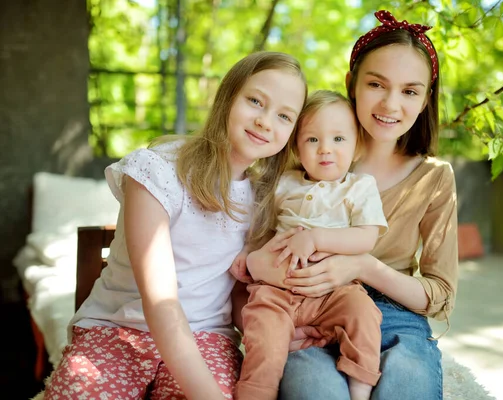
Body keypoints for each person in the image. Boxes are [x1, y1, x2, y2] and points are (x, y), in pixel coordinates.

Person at [42, 51, 307, 399]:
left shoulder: (264, 200)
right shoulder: (158, 171)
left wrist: (280, 334)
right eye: (255, 101)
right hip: (117, 329)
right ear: (227, 96)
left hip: (207, 336)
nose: (265, 121)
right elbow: (161, 301)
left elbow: (241, 288)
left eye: (284, 116)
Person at [246, 10, 458, 400]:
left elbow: (440, 293)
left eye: (411, 91)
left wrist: (362, 265)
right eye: (377, 84)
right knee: (316, 391)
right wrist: (277, 322)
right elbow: (253, 252)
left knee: (404, 389)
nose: (391, 104)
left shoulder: (434, 178)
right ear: (352, 84)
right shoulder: (311, 157)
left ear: (427, 97)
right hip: (305, 305)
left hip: (397, 314)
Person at [230, 90, 388, 400]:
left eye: (338, 139)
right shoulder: (284, 183)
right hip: (277, 292)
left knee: (364, 314)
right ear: (297, 148)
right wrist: (249, 253)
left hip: (335, 292)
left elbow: (366, 236)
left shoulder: (359, 186)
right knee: (264, 334)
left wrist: (316, 238)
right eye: (312, 140)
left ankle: (360, 387)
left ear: (357, 146)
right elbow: (264, 229)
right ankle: (257, 393)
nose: (325, 150)